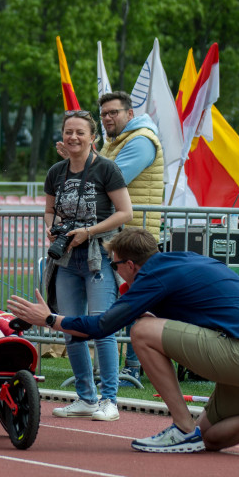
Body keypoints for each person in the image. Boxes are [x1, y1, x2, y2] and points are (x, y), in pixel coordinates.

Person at [7, 227, 239, 458]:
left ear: (132, 264)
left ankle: (182, 427)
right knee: (209, 438)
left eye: (115, 265)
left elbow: (102, 326)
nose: (115, 271)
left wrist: (49, 319)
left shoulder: (154, 276)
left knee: (143, 331)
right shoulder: (181, 261)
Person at [43, 109, 133, 422]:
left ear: (92, 137)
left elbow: (125, 212)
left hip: (98, 256)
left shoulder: (106, 168)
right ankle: (85, 398)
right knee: (70, 327)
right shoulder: (56, 171)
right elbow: (49, 210)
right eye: (69, 132)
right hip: (66, 259)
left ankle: (110, 400)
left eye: (80, 132)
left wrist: (89, 232)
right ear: (62, 136)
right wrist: (53, 230)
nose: (74, 137)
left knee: (102, 326)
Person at [97, 91, 164, 386]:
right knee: (124, 299)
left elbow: (112, 178)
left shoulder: (140, 141)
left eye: (114, 112)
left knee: (138, 301)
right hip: (123, 233)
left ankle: (134, 368)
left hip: (137, 234)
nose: (108, 118)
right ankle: (125, 366)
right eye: (104, 114)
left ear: (130, 114)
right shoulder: (115, 142)